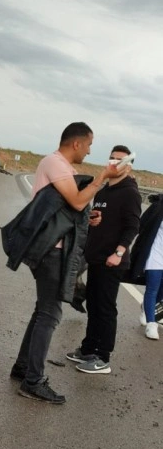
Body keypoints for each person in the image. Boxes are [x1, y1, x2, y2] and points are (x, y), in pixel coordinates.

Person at [2, 122, 121, 404]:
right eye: (89, 144)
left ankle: (23, 367)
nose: (90, 150)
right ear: (77, 143)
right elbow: (78, 202)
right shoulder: (55, 163)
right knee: (50, 315)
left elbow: (71, 210)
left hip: (55, 250)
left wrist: (86, 219)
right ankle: (33, 381)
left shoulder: (65, 169)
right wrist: (101, 177)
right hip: (51, 252)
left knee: (41, 311)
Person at [65, 146, 141, 373]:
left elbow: (132, 226)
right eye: (111, 158)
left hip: (112, 260)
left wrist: (118, 253)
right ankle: (88, 348)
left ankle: (103, 356)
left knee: (106, 308)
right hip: (96, 257)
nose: (114, 163)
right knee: (94, 305)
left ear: (128, 165)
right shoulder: (103, 191)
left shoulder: (130, 192)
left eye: (119, 160)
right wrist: (92, 219)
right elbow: (97, 218)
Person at [127, 193, 163, 339]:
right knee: (152, 288)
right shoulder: (158, 206)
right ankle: (151, 324)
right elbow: (140, 224)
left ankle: (145, 307)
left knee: (161, 292)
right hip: (155, 254)